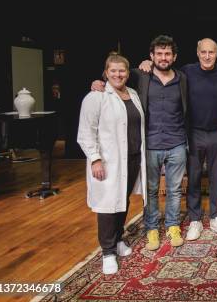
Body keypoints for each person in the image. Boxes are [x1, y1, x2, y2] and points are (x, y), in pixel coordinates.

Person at [137, 39, 217, 240]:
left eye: (211, 52)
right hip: (194, 133)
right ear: (197, 53)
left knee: (216, 178)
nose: (207, 56)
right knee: (194, 178)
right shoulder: (186, 72)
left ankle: (215, 217)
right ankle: (195, 219)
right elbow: (160, 69)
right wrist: (147, 62)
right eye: (203, 52)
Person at [91, 35, 188, 250]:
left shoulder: (181, 78)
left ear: (174, 56)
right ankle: (152, 228)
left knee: (174, 190)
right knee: (151, 190)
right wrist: (99, 82)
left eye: (168, 54)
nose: (164, 57)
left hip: (177, 143)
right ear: (151, 56)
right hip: (150, 144)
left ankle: (173, 225)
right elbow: (115, 74)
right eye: (159, 54)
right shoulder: (140, 76)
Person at [78, 53, 147, 275]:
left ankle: (118, 240)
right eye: (113, 71)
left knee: (122, 200)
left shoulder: (133, 94)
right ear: (106, 73)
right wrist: (95, 159)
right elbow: (86, 132)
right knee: (108, 205)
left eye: (122, 71)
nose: (118, 74)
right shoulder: (95, 97)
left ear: (128, 73)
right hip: (109, 161)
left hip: (133, 158)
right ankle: (108, 252)